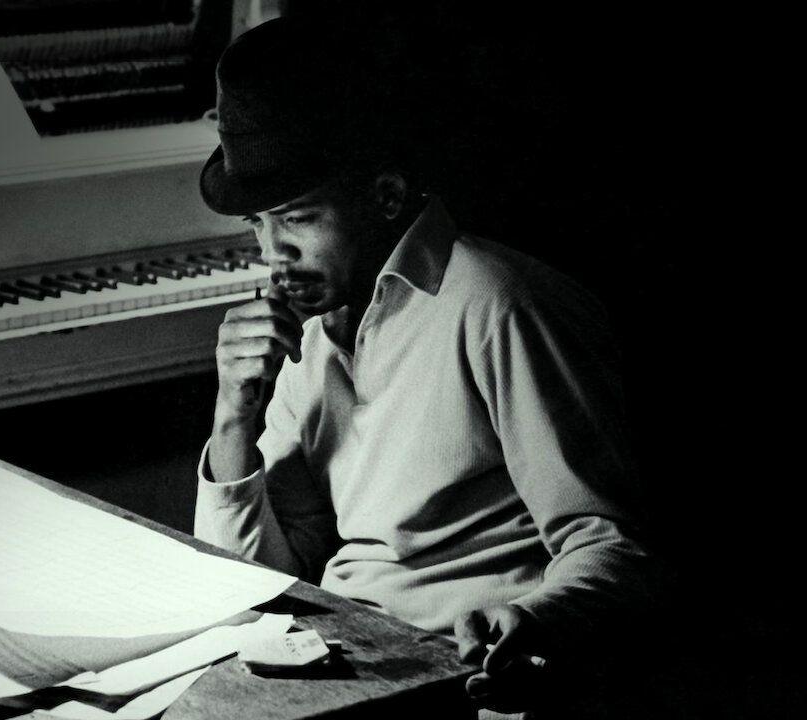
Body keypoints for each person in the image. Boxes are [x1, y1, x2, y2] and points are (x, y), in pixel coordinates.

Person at [191, 16, 662, 717]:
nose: (272, 254)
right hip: (346, 659)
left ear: (383, 195)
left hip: (460, 674)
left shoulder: (498, 305)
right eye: (257, 225)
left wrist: (539, 620)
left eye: (297, 218)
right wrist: (233, 417)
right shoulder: (311, 335)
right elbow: (260, 584)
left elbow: (613, 544)